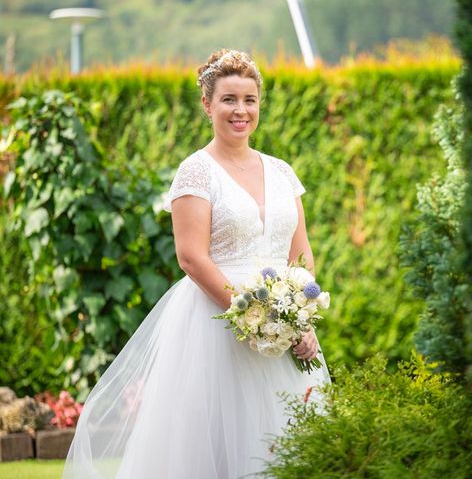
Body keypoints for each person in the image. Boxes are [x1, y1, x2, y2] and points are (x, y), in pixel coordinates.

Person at [63, 49, 330, 478]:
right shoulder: (196, 172)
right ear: (207, 104)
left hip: (285, 324)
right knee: (217, 443)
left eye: (249, 99)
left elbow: (301, 254)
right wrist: (250, 314)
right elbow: (191, 256)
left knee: (291, 440)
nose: (240, 110)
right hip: (216, 326)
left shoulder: (283, 172)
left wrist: (299, 320)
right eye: (229, 99)